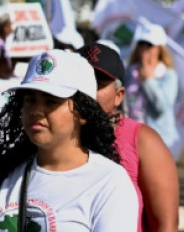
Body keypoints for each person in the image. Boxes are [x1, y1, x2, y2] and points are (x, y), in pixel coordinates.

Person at [0, 49, 139, 229]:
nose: (36, 110)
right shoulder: (7, 174)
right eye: (30, 100)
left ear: (83, 113)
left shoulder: (109, 183)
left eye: (51, 101)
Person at [77, 41, 179, 232]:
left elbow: (166, 225)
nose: (87, 91)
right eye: (80, 81)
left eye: (97, 84)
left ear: (119, 95)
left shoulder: (144, 141)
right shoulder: (49, 140)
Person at [125, 21, 179, 148]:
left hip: (157, 139)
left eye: (149, 45)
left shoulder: (168, 75)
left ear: (159, 49)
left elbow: (162, 107)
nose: (144, 49)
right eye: (141, 44)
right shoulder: (129, 71)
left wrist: (148, 80)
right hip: (131, 135)